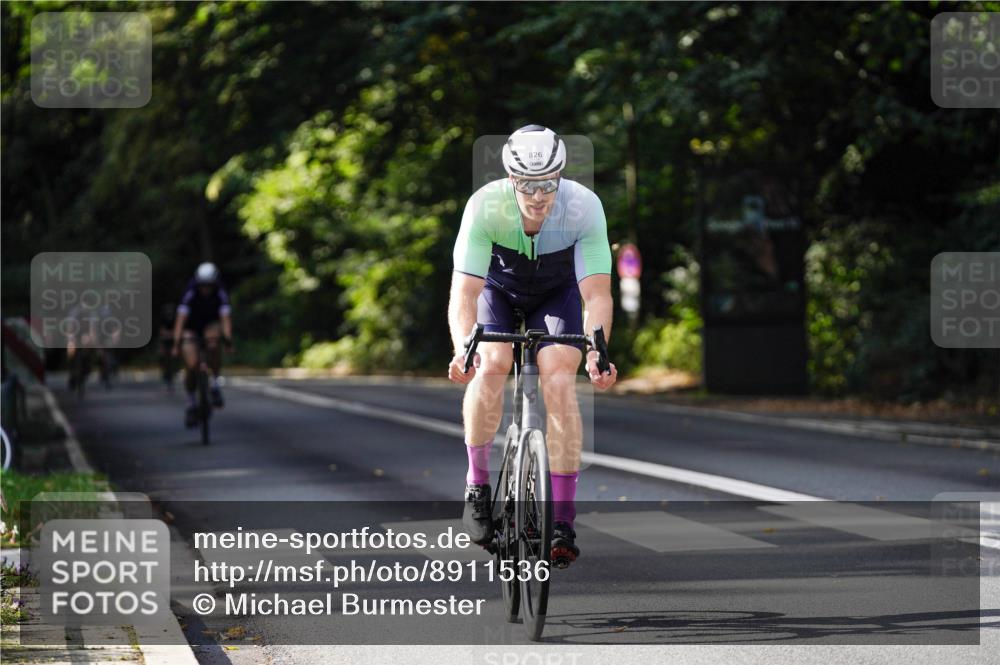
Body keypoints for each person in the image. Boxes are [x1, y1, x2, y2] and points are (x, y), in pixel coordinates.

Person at [447, 125, 618, 565]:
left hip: (555, 294)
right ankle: (477, 484)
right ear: (510, 177)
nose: (538, 194)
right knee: (492, 362)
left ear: (560, 175)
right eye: (527, 183)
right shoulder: (485, 206)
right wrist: (462, 348)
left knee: (559, 380)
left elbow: (596, 293)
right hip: (496, 292)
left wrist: (597, 352)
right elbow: (464, 294)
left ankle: (562, 518)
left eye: (547, 182)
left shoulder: (584, 207)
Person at [171, 263, 233, 428]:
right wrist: (176, 344)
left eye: (209, 285)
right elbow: (180, 321)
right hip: (191, 328)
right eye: (203, 285)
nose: (206, 289)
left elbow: (225, 320)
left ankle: (214, 383)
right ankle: (191, 402)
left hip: (209, 325)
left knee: (214, 340)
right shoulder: (190, 292)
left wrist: (228, 341)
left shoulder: (220, 292)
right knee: (191, 364)